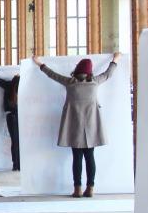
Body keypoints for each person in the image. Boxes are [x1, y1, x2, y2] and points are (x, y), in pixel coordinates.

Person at [33, 53, 122, 197]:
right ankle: (90, 188)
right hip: (92, 126)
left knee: (77, 158)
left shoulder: (70, 82)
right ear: (89, 71)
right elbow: (108, 74)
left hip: (74, 126)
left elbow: (52, 75)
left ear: (77, 70)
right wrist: (115, 59)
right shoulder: (95, 82)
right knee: (90, 157)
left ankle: (77, 189)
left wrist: (39, 63)